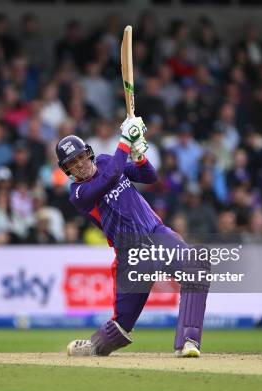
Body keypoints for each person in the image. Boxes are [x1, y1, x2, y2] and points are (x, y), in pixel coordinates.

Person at [57, 117, 209, 358]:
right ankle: (95, 345)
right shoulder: (78, 194)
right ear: (67, 170)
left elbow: (149, 176)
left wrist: (138, 153)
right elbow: (110, 177)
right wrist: (126, 140)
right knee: (120, 328)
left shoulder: (106, 161)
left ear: (88, 153)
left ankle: (189, 342)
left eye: (80, 157)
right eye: (72, 163)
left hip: (156, 235)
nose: (79, 164)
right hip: (131, 254)